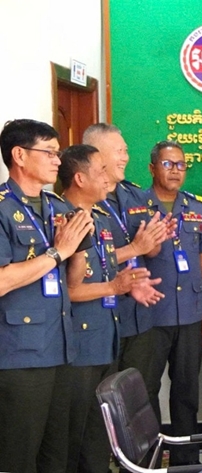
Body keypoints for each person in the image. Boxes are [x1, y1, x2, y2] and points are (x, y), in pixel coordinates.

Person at [58, 144, 160, 473]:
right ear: (79, 178)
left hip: (106, 337)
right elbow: (67, 290)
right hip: (78, 344)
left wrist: (129, 285)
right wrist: (115, 287)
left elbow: (102, 269)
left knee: (99, 435)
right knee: (73, 437)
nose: (107, 178)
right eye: (100, 171)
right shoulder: (61, 219)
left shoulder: (99, 218)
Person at [0, 119, 94, 473]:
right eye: (50, 152)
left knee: (58, 455)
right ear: (19, 155)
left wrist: (78, 247)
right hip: (20, 354)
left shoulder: (56, 206)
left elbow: (72, 281)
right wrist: (57, 252)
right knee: (20, 455)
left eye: (59, 153)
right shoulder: (2, 208)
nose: (58, 160)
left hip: (61, 346)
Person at [83, 123, 171, 408]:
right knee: (104, 401)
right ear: (97, 155)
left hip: (139, 312)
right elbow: (89, 261)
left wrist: (155, 239)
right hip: (104, 313)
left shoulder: (134, 195)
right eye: (119, 151)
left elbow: (151, 250)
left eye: (126, 151)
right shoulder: (83, 201)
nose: (125, 157)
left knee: (138, 395)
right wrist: (135, 248)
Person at [141, 141, 202, 466]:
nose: (175, 171)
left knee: (187, 390)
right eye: (168, 164)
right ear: (152, 168)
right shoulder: (136, 206)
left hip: (190, 310)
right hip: (150, 313)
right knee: (146, 390)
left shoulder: (198, 208)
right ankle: (149, 460)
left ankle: (186, 462)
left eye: (181, 165)